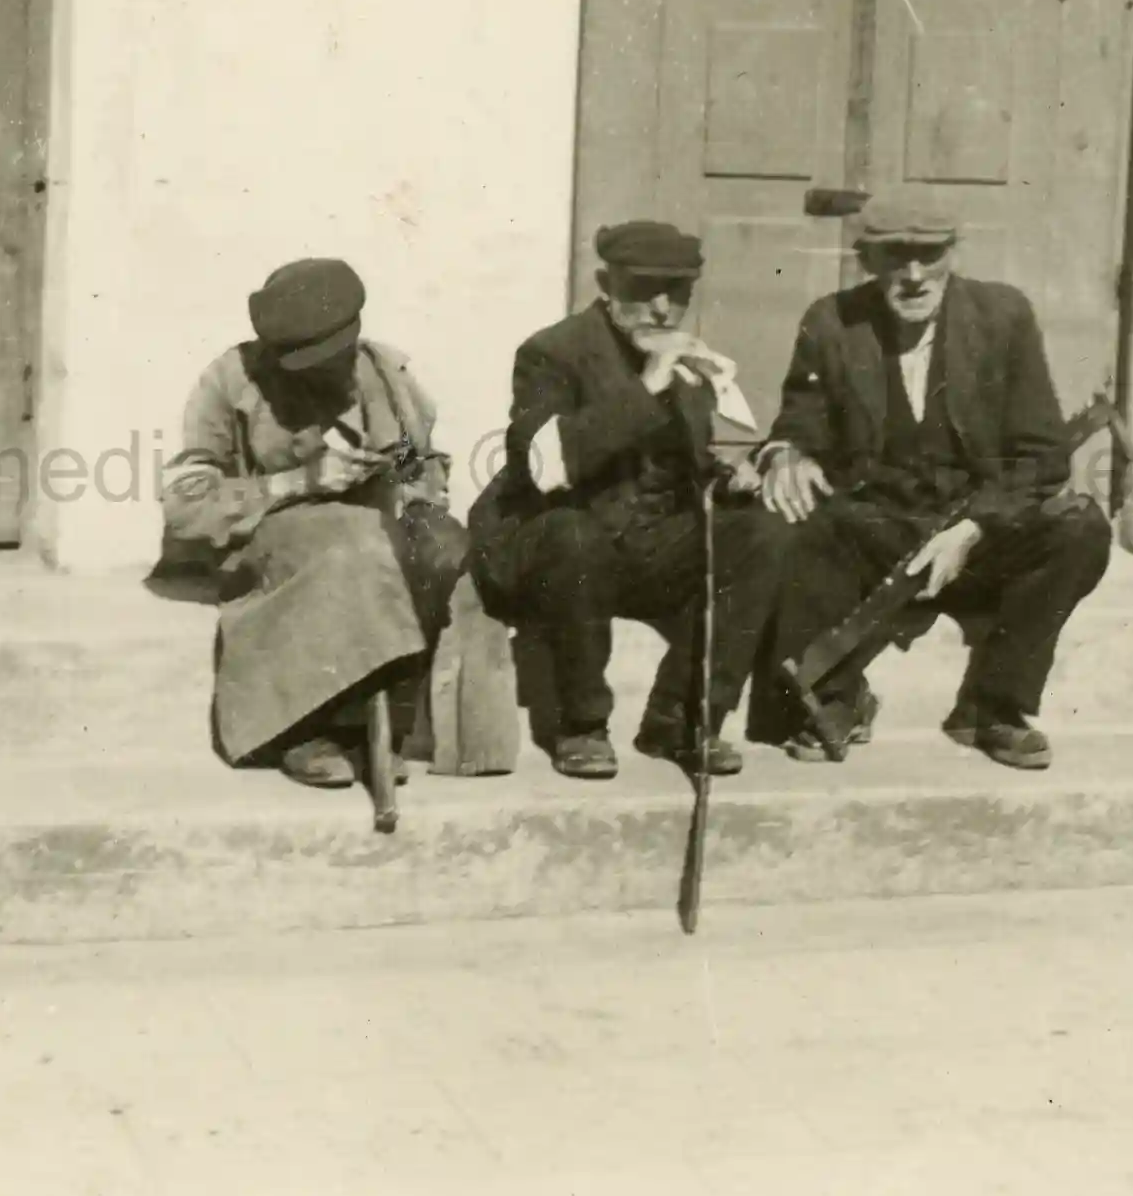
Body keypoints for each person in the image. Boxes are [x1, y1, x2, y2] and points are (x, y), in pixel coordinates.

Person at [748, 190, 1114, 769]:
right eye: (896, 257)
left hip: (976, 528)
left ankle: (995, 707)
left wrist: (974, 526)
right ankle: (838, 696)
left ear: (953, 254)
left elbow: (1042, 454)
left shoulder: (1002, 317)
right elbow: (800, 419)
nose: (914, 276)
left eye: (930, 255)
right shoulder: (832, 321)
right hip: (880, 525)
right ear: (867, 259)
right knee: (795, 514)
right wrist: (788, 453)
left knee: (1080, 528)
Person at [467, 220, 789, 780]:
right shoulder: (552, 353)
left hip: (644, 549)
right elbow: (543, 468)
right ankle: (581, 724)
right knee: (574, 534)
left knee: (761, 531)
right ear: (605, 282)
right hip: (560, 551)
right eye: (643, 290)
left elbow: (703, 452)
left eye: (678, 292)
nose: (662, 308)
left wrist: (734, 471)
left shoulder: (693, 363)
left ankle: (683, 719)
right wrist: (646, 389)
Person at [162, 258, 469, 790]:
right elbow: (186, 505)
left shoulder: (385, 376)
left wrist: (410, 480)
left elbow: (416, 461)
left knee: (444, 549)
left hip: (374, 533)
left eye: (332, 359)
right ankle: (307, 730)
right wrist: (301, 482)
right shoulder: (230, 380)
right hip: (275, 533)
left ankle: (389, 726)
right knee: (346, 546)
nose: (324, 374)